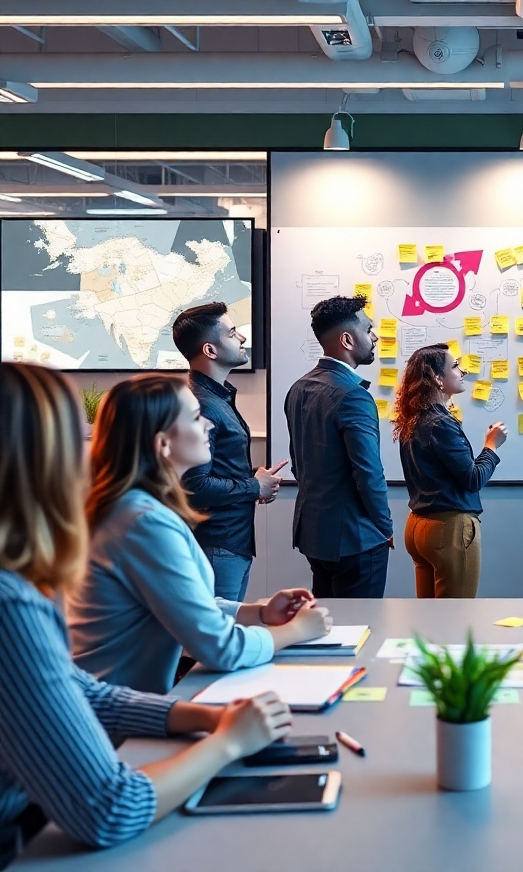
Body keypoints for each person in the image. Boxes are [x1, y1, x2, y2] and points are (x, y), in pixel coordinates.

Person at [0, 362, 293, 866]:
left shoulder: (25, 579)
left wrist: (193, 715)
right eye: (77, 438)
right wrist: (226, 743)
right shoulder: (13, 600)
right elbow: (110, 810)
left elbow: (78, 688)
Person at [67, 374, 331, 695]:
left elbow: (185, 603)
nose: (208, 424)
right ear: (162, 443)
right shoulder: (143, 522)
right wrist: (295, 631)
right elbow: (221, 649)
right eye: (195, 417)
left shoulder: (139, 508)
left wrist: (257, 612)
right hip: (117, 718)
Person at [172, 301, 285, 602]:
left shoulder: (216, 397)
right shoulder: (202, 404)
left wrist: (253, 480)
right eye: (233, 332)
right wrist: (252, 486)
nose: (243, 338)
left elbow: (215, 468)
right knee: (212, 642)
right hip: (216, 544)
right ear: (210, 350)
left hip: (232, 542)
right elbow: (194, 486)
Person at [285, 296, 394, 598]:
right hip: (356, 536)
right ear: (347, 339)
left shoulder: (299, 388)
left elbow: (300, 463)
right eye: (368, 329)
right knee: (360, 628)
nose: (374, 337)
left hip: (315, 534)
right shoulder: (354, 396)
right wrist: (385, 526)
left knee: (326, 626)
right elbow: (368, 472)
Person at [394, 344, 507, 598]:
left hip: (418, 528)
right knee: (456, 617)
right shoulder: (441, 424)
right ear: (437, 378)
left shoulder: (413, 419)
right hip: (449, 529)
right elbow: (472, 478)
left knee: (431, 618)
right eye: (455, 366)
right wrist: (491, 446)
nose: (463, 371)